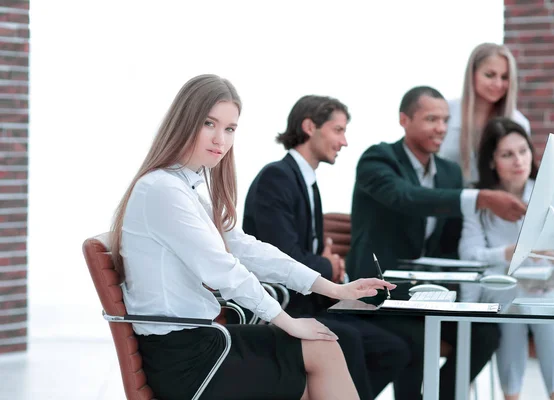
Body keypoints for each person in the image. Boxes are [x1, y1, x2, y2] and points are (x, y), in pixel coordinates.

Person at [109, 74, 395, 400]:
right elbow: (223, 270)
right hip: (184, 358)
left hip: (202, 341)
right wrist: (287, 321)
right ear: (185, 121)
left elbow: (246, 249)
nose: (221, 139)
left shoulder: (189, 185)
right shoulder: (163, 189)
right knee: (320, 350)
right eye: (209, 124)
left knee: (319, 354)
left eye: (230, 129)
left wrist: (332, 287)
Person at [346, 86, 523, 400]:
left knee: (485, 333)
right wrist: (480, 198)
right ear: (404, 119)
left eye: (444, 120)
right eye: (431, 119)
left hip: (430, 293)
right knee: (417, 337)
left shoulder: (449, 173)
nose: (441, 128)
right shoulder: (378, 159)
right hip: (381, 291)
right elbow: (407, 198)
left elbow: (450, 243)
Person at [243, 94, 411, 399]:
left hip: (308, 301)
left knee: (394, 349)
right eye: (338, 130)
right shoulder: (276, 178)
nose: (344, 141)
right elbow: (284, 258)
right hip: (281, 306)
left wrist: (326, 263)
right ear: (310, 127)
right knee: (348, 338)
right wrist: (329, 264)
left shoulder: (308, 182)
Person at [458, 117, 554, 400]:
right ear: (492, 161)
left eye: (523, 151)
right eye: (507, 154)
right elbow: (469, 255)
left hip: (551, 297)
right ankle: (515, 394)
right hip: (501, 294)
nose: (518, 160)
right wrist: (507, 252)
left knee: (541, 307)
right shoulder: (481, 200)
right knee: (513, 305)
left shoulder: (550, 193)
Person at [439, 42, 530, 186]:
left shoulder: (518, 122)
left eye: (505, 77)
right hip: (446, 201)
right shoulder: (445, 112)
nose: (498, 84)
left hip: (494, 204)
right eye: (490, 75)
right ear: (472, 74)